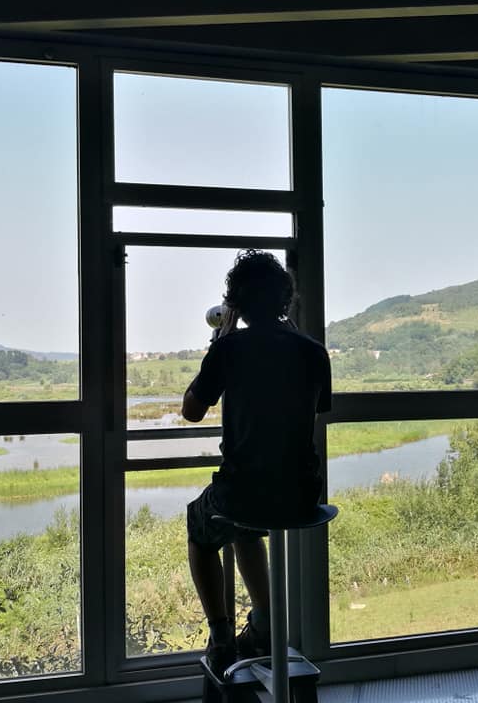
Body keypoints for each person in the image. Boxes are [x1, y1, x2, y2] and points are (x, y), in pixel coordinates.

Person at [182, 249, 331, 674]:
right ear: (285, 299)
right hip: (301, 495)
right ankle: (264, 626)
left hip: (242, 493)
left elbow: (191, 411)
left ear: (236, 303)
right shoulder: (314, 351)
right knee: (244, 530)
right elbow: (315, 409)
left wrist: (218, 343)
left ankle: (222, 636)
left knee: (200, 526)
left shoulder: (230, 349)